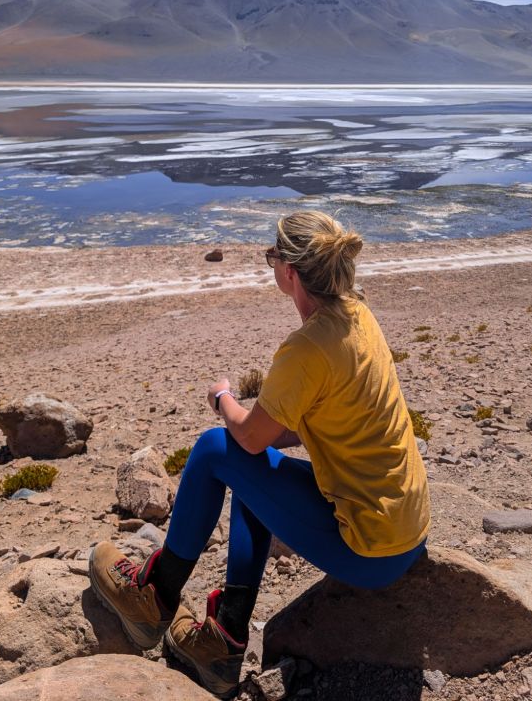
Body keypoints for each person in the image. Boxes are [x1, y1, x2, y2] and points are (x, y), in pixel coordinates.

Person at [89, 210, 430, 699]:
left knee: (214, 447)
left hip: (372, 548)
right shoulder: (358, 316)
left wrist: (223, 398)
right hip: (405, 528)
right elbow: (302, 427)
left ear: (289, 271)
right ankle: (223, 639)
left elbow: (249, 439)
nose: (271, 265)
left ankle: (153, 596)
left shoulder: (310, 345)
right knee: (253, 481)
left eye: (272, 255)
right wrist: (259, 429)